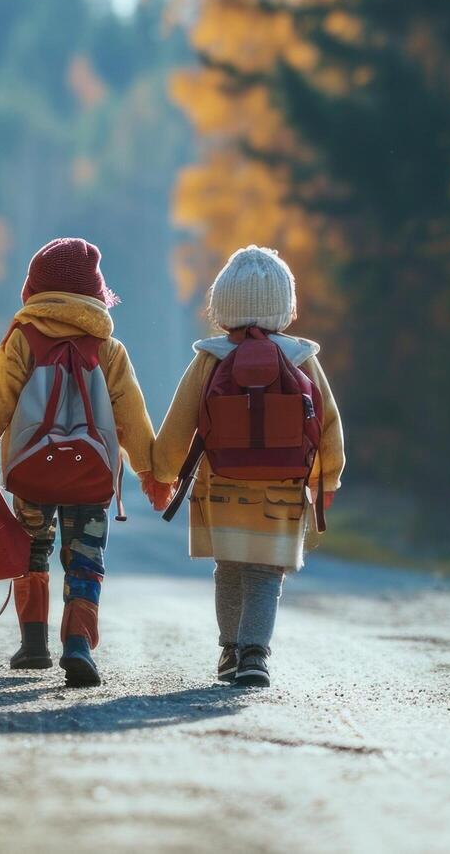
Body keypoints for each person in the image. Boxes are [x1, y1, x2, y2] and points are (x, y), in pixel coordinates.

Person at [0, 238, 168, 687]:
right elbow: (132, 417)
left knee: (31, 549)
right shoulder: (108, 348)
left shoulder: (21, 339)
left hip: (30, 471)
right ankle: (77, 642)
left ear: (34, 289)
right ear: (94, 293)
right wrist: (151, 472)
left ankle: (33, 643)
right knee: (86, 557)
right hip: (91, 474)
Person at [151, 246, 344, 688]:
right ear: (285, 305)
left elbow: (179, 423)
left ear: (223, 305)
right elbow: (329, 424)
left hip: (220, 485)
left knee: (231, 567)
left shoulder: (211, 357)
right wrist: (327, 478)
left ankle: (230, 650)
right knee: (263, 572)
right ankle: (256, 652)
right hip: (282, 487)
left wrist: (160, 473)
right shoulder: (300, 359)